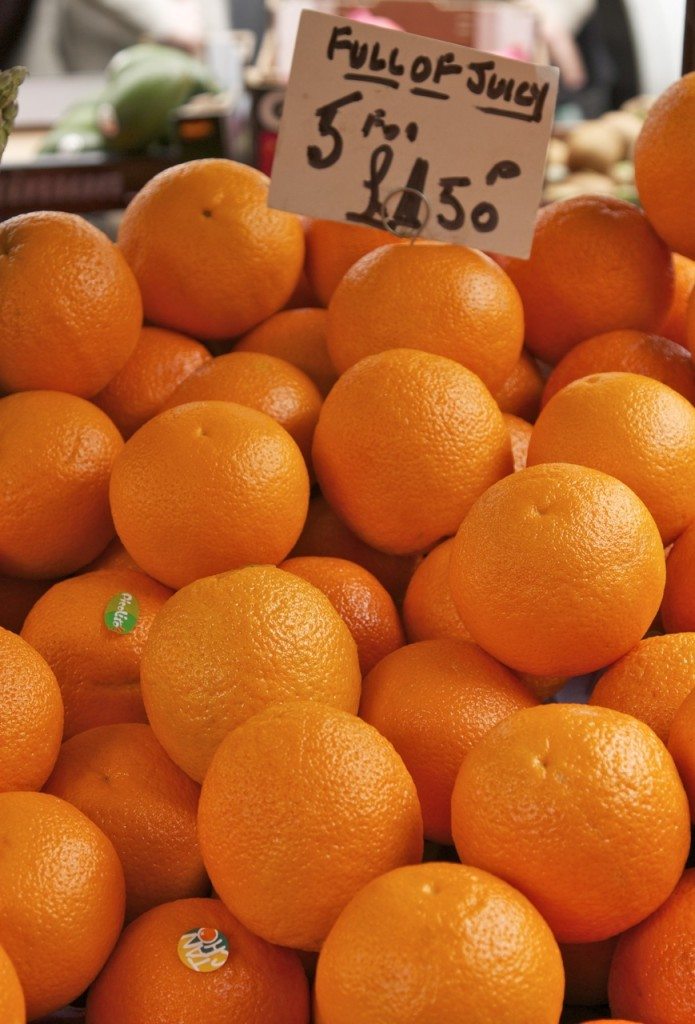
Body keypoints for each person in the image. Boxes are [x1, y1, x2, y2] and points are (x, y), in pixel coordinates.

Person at [10, 0, 229, 75]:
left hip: (168, 85)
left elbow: (207, 33)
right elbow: (181, 30)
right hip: (74, 81)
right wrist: (165, 24)